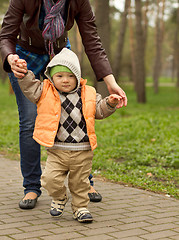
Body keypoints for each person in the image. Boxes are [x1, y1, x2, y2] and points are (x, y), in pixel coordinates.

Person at [0, 0, 127, 209]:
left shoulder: (78, 2)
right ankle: (31, 185)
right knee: (30, 121)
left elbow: (92, 40)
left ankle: (86, 183)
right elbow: (6, 35)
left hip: (60, 57)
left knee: (75, 113)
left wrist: (110, 82)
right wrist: (10, 57)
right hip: (24, 58)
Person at [17, 48, 123, 222]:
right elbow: (29, 87)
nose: (65, 80)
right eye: (59, 76)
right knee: (50, 180)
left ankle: (80, 208)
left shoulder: (88, 93)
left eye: (70, 76)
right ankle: (59, 197)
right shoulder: (45, 92)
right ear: (51, 77)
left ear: (77, 76)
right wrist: (23, 73)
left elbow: (99, 110)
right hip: (57, 150)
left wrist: (109, 103)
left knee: (80, 184)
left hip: (82, 150)